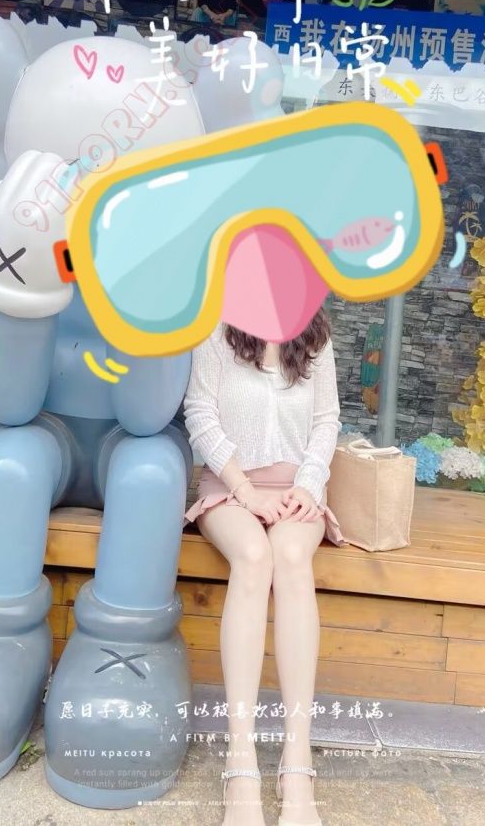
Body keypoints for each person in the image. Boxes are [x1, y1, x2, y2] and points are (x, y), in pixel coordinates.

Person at [183, 309, 346, 826]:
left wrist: (310, 485)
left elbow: (327, 420)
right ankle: (241, 761)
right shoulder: (215, 331)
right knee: (254, 557)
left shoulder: (316, 336)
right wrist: (246, 491)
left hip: (298, 491)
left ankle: (297, 761)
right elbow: (199, 414)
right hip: (230, 488)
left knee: (292, 558)